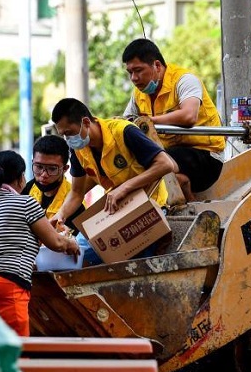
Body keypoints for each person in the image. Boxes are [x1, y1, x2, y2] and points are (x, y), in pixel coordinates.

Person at [49, 97, 177, 262]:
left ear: (86, 122)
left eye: (69, 133)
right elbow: (77, 192)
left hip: (150, 205)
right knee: (78, 249)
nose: (68, 139)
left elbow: (166, 164)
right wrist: (61, 215)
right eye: (63, 135)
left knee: (86, 252)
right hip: (116, 209)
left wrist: (125, 188)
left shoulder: (123, 131)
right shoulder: (79, 149)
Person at [0, 150, 79, 336]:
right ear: (20, 178)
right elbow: (56, 243)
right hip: (6, 285)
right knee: (17, 351)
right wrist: (71, 244)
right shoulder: (26, 203)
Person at [122, 38, 226, 201]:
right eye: (130, 73)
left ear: (156, 65)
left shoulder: (184, 80)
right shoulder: (138, 94)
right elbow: (125, 123)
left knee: (155, 162)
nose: (134, 78)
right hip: (171, 155)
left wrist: (151, 121)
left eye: (138, 70)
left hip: (207, 158)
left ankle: (185, 195)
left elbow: (189, 116)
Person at [21, 134, 86, 234]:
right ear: (32, 162)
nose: (44, 175)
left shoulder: (76, 205)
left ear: (65, 169)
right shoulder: (26, 191)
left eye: (52, 169)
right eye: (38, 167)